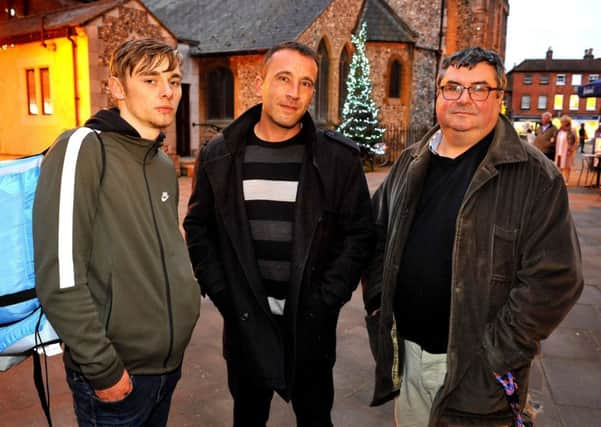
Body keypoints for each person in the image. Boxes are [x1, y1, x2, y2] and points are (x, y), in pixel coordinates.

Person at [363, 47, 583, 427]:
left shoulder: (535, 177)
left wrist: (496, 354)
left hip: (478, 375)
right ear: (438, 94)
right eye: (453, 87)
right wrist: (379, 305)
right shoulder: (410, 162)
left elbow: (555, 280)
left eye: (479, 88)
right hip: (410, 358)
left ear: (499, 98)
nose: (463, 98)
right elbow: (375, 236)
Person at [183, 41, 373, 427]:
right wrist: (224, 294)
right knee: (248, 418)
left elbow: (359, 235)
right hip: (247, 325)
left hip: (311, 326)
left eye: (305, 83)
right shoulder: (220, 155)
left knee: (316, 417)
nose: (293, 93)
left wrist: (327, 299)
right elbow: (198, 228)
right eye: (284, 78)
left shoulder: (337, 160)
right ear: (261, 82)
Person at [34, 39, 201, 426]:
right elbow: (59, 274)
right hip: (114, 376)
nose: (167, 91)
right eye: (150, 79)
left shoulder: (161, 163)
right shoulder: (83, 148)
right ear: (117, 88)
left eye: (173, 81)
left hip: (167, 369)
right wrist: (103, 368)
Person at [554, 115, 578, 184]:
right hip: (559, 150)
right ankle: (560, 180)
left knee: (567, 167)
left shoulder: (572, 130)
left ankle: (566, 180)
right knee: (559, 166)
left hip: (567, 151)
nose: (561, 123)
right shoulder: (559, 130)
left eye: (562, 122)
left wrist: (571, 149)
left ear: (566, 122)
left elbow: (576, 141)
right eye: (561, 122)